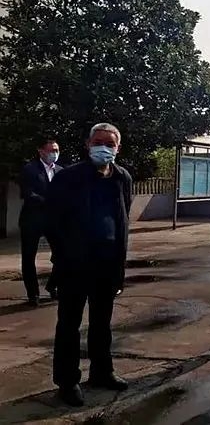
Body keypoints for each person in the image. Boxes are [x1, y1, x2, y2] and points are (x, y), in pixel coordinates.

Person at [46, 123, 132, 407]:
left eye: (110, 143)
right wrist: (62, 258)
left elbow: (123, 219)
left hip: (107, 264)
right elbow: (53, 222)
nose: (103, 148)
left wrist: (119, 265)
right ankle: (67, 381)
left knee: (101, 323)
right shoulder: (68, 178)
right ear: (87, 144)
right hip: (74, 265)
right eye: (98, 142)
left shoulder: (122, 177)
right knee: (69, 324)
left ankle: (102, 372)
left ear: (118, 148)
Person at [18, 138, 62, 305]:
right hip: (32, 219)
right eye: (51, 151)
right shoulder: (30, 169)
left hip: (54, 220)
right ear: (41, 151)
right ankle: (33, 294)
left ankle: (53, 285)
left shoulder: (60, 171)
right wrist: (49, 201)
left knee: (63, 253)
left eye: (56, 150)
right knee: (29, 257)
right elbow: (28, 194)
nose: (54, 154)